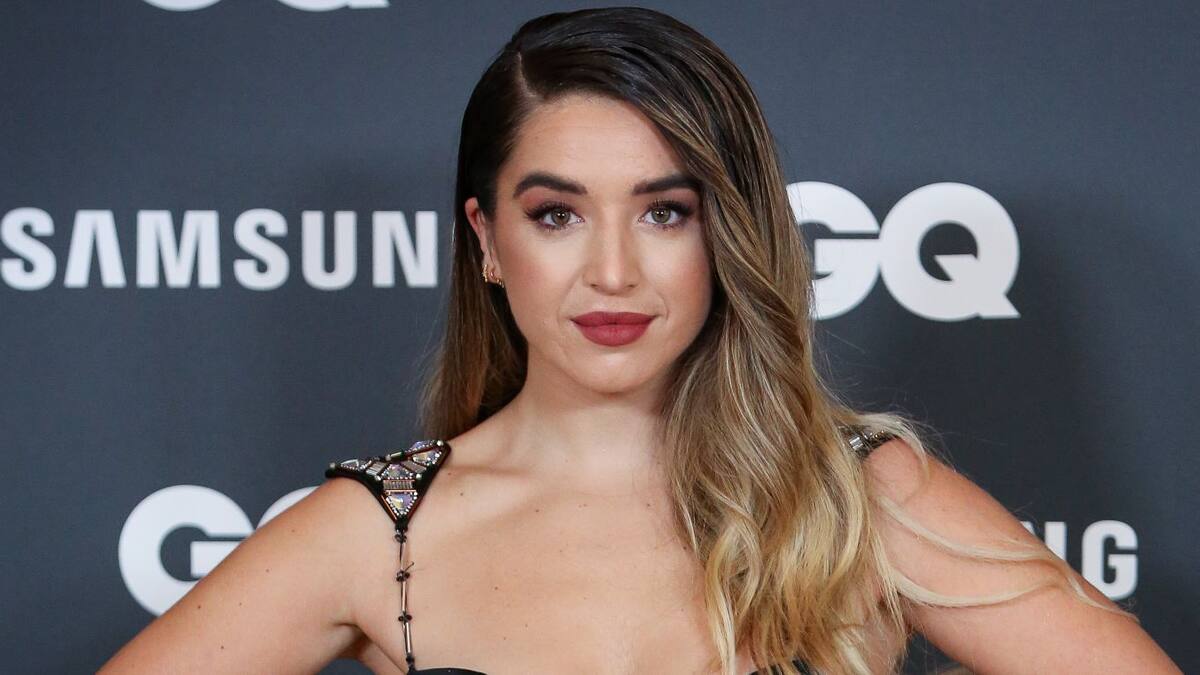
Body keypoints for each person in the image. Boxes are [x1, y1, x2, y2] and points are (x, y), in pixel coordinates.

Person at [99, 7, 1181, 675]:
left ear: (728, 234)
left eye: (665, 211)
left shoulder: (859, 495)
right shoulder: (375, 530)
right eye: (556, 215)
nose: (612, 271)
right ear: (487, 239)